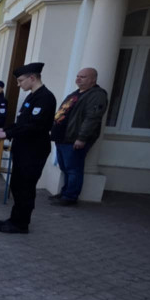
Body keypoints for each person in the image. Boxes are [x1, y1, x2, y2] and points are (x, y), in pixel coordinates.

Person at [0, 62, 57, 234]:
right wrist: (4, 130)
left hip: (33, 150)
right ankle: (15, 218)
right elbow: (22, 123)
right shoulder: (33, 96)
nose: (19, 85)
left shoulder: (45, 98)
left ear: (32, 78)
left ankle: (21, 224)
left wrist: (7, 134)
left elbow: (35, 126)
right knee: (17, 185)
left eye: (20, 81)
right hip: (23, 148)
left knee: (25, 187)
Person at [50, 67, 108, 206]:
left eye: (83, 77)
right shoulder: (75, 93)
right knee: (65, 167)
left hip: (74, 139)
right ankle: (65, 192)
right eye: (78, 76)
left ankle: (70, 196)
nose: (78, 79)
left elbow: (92, 118)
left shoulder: (96, 95)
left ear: (93, 79)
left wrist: (82, 138)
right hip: (62, 137)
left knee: (73, 168)